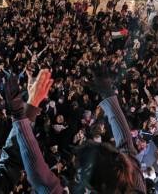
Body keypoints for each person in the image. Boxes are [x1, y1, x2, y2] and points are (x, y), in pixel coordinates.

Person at [10, 68, 146, 193]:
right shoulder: (131, 179)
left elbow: (40, 177)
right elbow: (126, 144)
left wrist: (29, 105)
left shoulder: (132, 176)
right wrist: (108, 93)